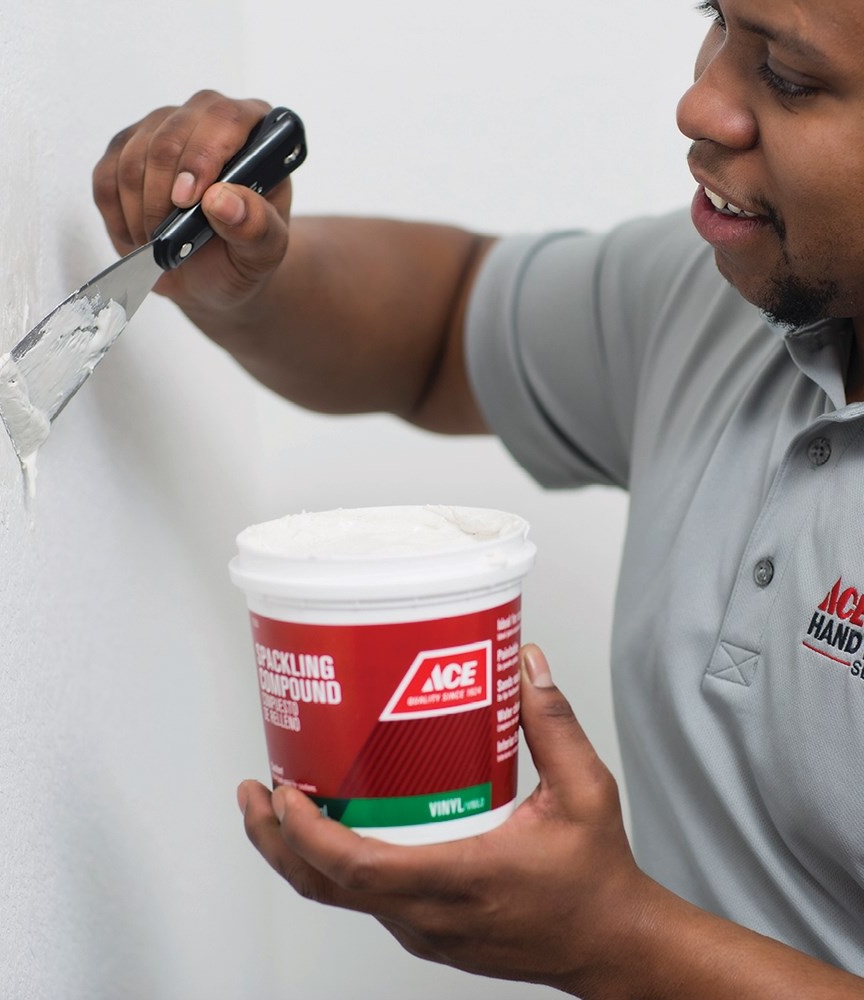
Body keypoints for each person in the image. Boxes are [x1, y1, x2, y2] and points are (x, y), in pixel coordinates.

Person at [92, 1, 864, 995]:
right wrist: (252, 277)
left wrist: (620, 940)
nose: (701, 101)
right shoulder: (721, 298)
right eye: (718, 19)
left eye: (790, 77)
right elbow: (444, 322)